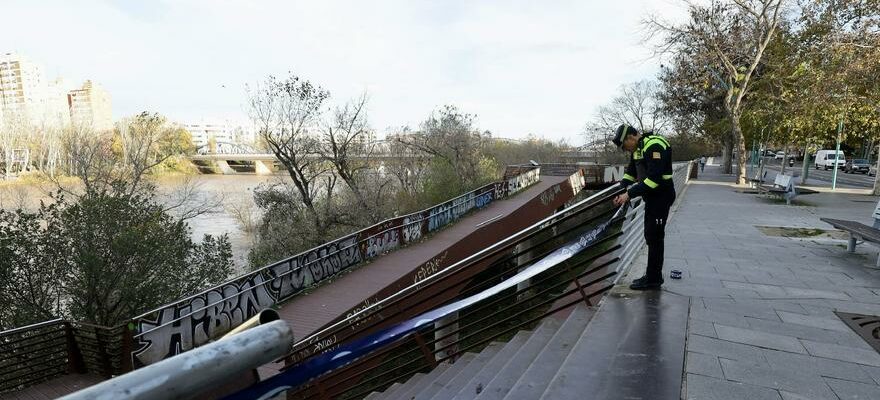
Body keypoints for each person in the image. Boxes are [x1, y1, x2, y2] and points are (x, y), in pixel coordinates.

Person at [611, 124, 676, 290]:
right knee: (650, 235)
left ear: (631, 138)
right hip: (652, 198)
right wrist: (622, 188)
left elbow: (654, 180)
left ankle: (653, 279)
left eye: (625, 146)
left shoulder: (654, 145)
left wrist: (629, 194)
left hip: (661, 197)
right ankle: (652, 275)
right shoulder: (638, 149)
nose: (626, 150)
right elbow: (631, 172)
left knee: (655, 237)